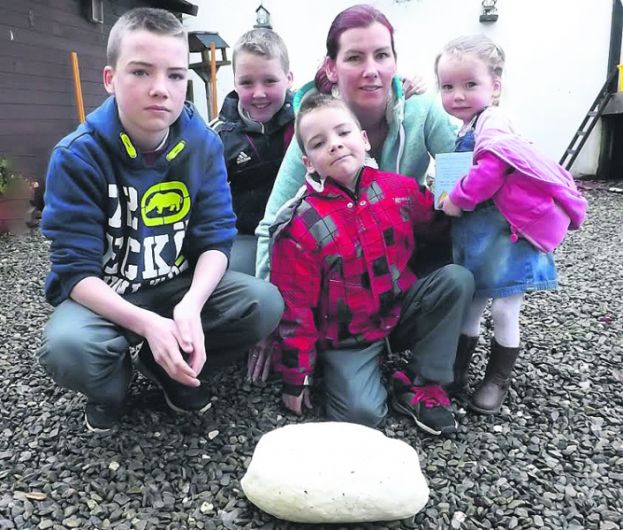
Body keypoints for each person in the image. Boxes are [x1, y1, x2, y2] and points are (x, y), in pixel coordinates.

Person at [37, 8, 283, 433]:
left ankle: (165, 368)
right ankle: (112, 387)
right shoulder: (77, 156)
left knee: (263, 303)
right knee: (68, 347)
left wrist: (189, 307)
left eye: (174, 75)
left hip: (175, 284)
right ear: (111, 79)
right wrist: (148, 324)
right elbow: (75, 272)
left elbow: (215, 238)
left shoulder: (203, 144)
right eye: (140, 72)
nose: (160, 90)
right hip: (108, 296)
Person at [248, 3, 464, 382]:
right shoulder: (318, 129)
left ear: (395, 61)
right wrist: (270, 324)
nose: (371, 70)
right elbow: (273, 223)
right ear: (331, 67)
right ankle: (335, 352)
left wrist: (452, 197)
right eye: (354, 57)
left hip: (397, 257)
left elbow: (460, 170)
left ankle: (436, 368)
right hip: (340, 287)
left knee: (461, 253)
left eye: (382, 55)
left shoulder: (421, 112)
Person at [269, 93, 475, 436]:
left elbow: (444, 226)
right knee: (361, 415)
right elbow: (296, 309)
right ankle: (358, 377)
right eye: (320, 143)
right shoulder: (300, 226)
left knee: (456, 279)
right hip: (348, 337)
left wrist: (482, 200)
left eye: (343, 133)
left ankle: (421, 383)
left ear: (363, 140)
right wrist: (297, 376)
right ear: (307, 162)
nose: (335, 146)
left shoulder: (400, 190)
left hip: (400, 312)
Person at [436, 35, 587, 414]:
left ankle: (497, 379)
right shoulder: (467, 125)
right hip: (482, 236)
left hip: (508, 234)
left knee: (505, 308)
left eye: (471, 84)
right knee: (471, 303)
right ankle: (457, 369)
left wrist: (457, 199)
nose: (458, 94)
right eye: (448, 86)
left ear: (495, 86)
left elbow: (492, 169)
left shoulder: (495, 121)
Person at [211, 28, 295, 275]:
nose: (259, 93)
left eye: (270, 81)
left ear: (289, 78)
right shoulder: (216, 137)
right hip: (245, 239)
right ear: (235, 82)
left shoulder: (308, 123)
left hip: (303, 235)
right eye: (247, 82)